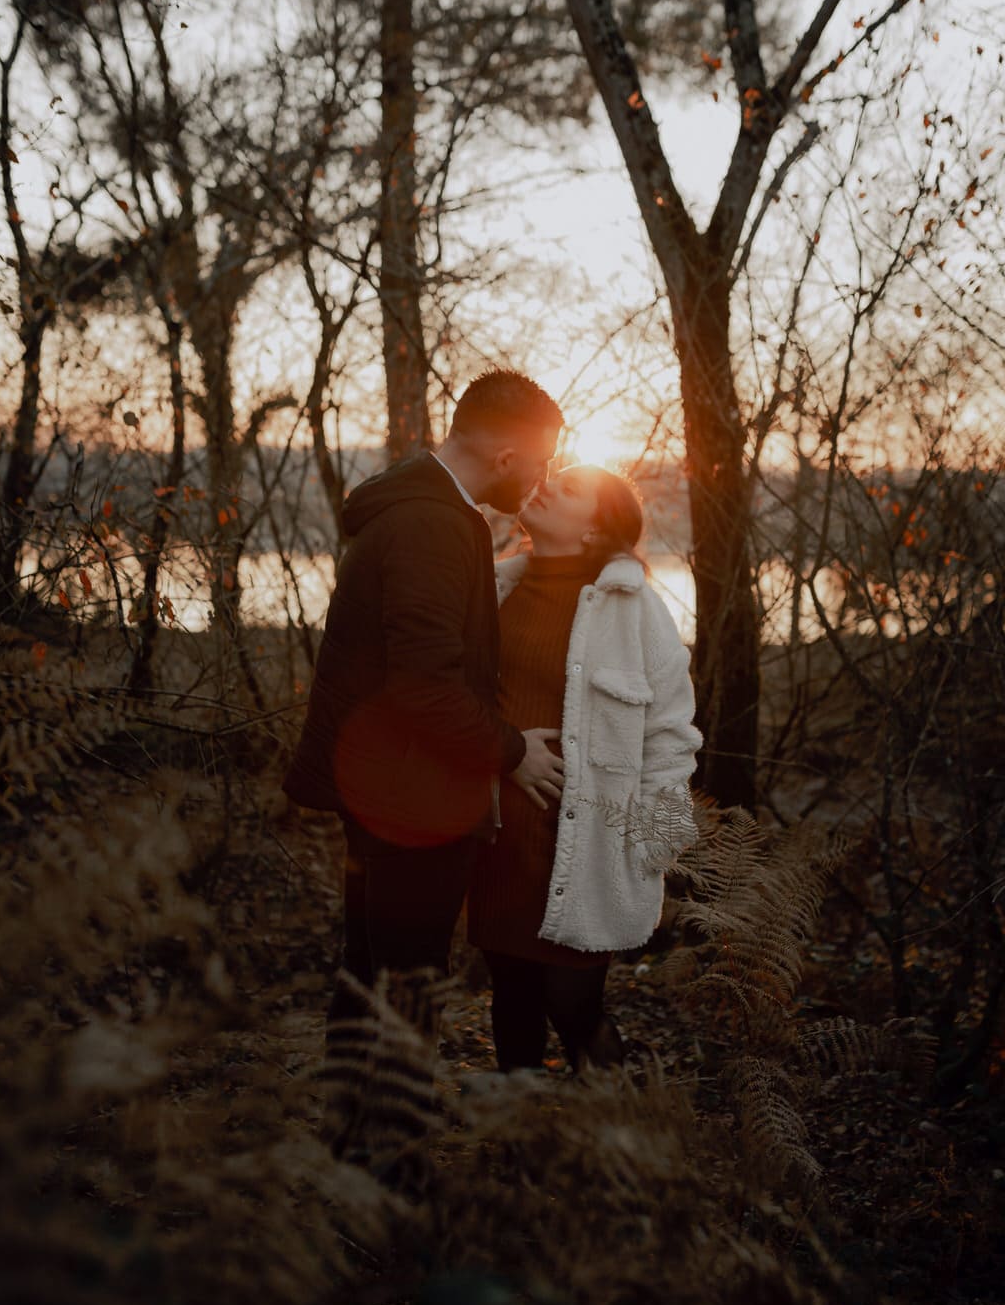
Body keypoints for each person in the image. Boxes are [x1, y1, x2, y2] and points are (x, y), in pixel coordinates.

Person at [282, 369, 566, 1004]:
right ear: (506, 457)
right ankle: (396, 1076)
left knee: (371, 978)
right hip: (410, 797)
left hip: (390, 784)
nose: (542, 478)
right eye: (541, 461)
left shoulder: (426, 511)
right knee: (404, 989)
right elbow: (426, 688)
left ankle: (363, 1075)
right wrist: (512, 751)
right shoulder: (430, 526)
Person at [467, 464, 702, 1072]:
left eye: (568, 488)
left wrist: (654, 842)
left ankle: (619, 1120)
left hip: (584, 844)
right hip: (501, 836)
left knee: (574, 1008)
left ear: (595, 529)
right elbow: (464, 701)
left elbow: (671, 733)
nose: (544, 483)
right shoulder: (494, 589)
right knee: (513, 997)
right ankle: (517, 1126)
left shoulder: (636, 609)